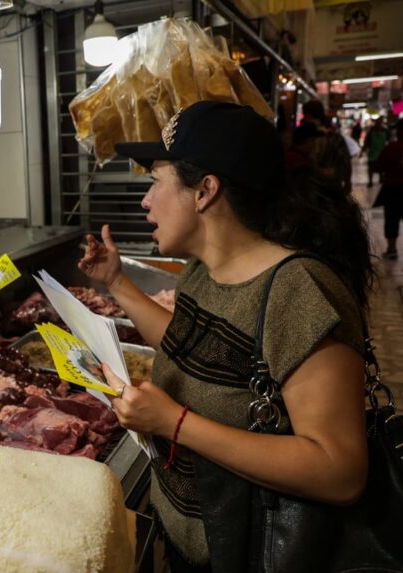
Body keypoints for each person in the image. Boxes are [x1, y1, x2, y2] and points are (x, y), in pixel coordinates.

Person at [78, 101, 375, 571]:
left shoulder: (298, 291)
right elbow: (191, 347)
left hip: (255, 555)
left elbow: (339, 470)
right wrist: (116, 283)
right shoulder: (205, 270)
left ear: (205, 191)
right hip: (192, 543)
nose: (145, 200)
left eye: (156, 180)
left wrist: (174, 424)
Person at [301, 99, 353, 194]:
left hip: (312, 185)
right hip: (333, 183)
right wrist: (347, 181)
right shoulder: (335, 136)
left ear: (308, 115)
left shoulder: (305, 135)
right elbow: (345, 159)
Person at [373, 120, 403, 259]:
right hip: (394, 188)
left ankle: (392, 249)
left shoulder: (391, 147)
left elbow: (379, 166)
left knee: (391, 219)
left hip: (393, 189)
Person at [363, 116, 390, 186]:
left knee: (382, 167)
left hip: (382, 152)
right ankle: (370, 181)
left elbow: (389, 140)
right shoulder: (372, 131)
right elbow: (366, 142)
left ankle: (381, 178)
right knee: (371, 167)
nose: (379, 123)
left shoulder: (385, 130)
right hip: (373, 152)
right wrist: (363, 150)